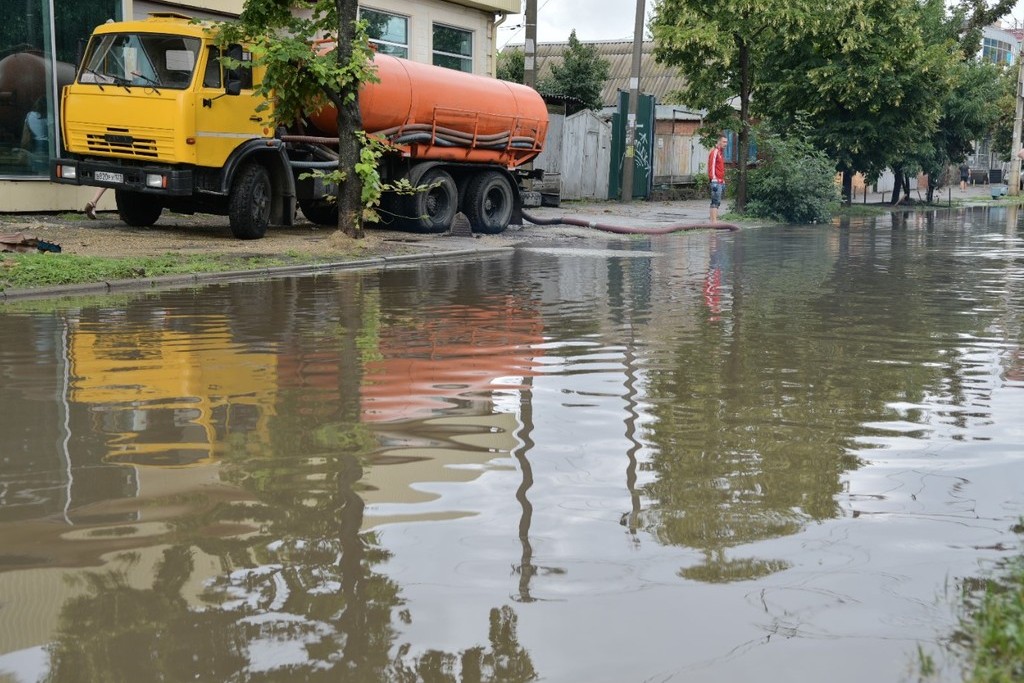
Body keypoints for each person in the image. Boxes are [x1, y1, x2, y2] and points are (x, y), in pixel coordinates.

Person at [708, 134, 727, 223]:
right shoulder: (715, 152)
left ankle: (713, 221)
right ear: (719, 142)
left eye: (726, 142)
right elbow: (711, 166)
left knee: (716, 202)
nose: (725, 144)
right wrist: (713, 179)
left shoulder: (720, 152)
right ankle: (714, 222)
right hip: (716, 181)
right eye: (724, 142)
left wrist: (722, 180)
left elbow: (720, 168)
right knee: (715, 201)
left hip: (720, 181)